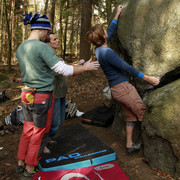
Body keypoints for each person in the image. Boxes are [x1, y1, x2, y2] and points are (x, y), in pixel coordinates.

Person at [16, 13, 99, 177]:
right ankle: (29, 167)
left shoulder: (21, 47)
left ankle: (20, 162)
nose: (48, 36)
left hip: (26, 94)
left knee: (27, 130)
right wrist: (85, 68)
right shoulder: (42, 47)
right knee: (38, 132)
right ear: (42, 29)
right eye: (48, 32)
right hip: (41, 95)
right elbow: (63, 70)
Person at [86, 5, 160, 154]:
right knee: (143, 114)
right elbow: (127, 68)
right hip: (123, 88)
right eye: (104, 32)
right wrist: (149, 79)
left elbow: (110, 32)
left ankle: (129, 145)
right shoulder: (108, 53)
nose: (107, 32)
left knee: (131, 116)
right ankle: (153, 150)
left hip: (116, 90)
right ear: (102, 37)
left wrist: (117, 14)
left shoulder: (98, 49)